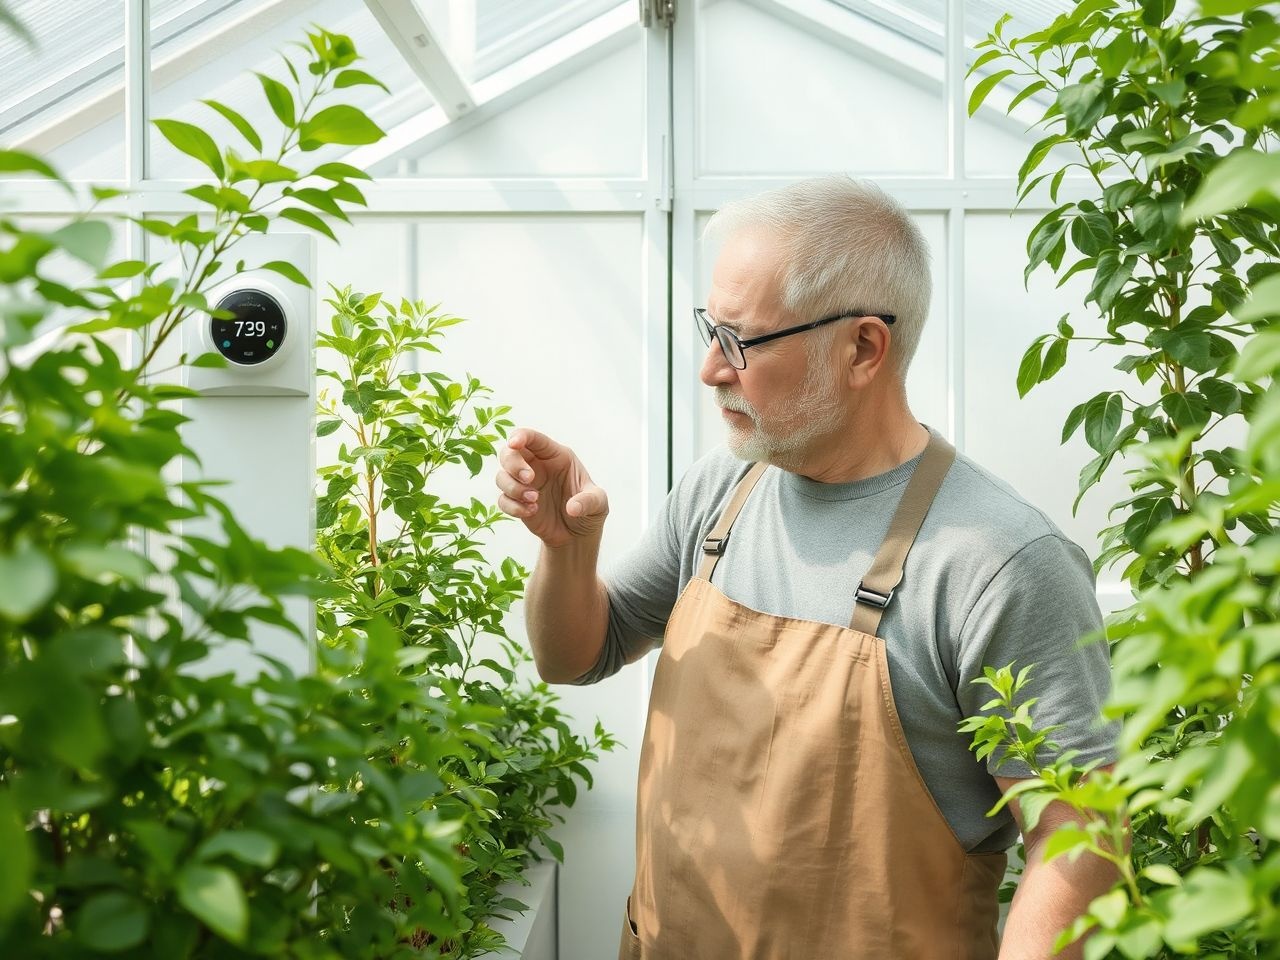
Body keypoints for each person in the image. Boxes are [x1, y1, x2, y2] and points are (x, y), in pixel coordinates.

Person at [493, 176, 1121, 960]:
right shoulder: (723, 491)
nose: (710, 370)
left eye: (741, 342)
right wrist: (566, 549)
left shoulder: (996, 563)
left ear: (862, 347)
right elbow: (576, 655)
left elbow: (1081, 834)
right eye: (710, 330)